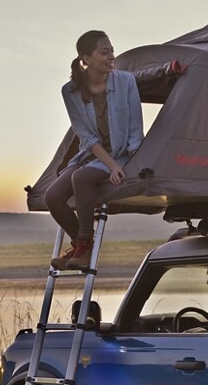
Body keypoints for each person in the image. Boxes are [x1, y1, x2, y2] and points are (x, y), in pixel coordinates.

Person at [44, 30, 144, 270]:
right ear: (86, 59)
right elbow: (86, 136)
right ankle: (83, 247)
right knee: (53, 197)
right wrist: (110, 165)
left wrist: (130, 162)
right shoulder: (70, 91)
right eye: (104, 51)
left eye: (112, 50)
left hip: (122, 153)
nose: (111, 56)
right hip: (92, 153)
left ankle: (81, 247)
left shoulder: (126, 81)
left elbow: (135, 127)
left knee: (82, 177)